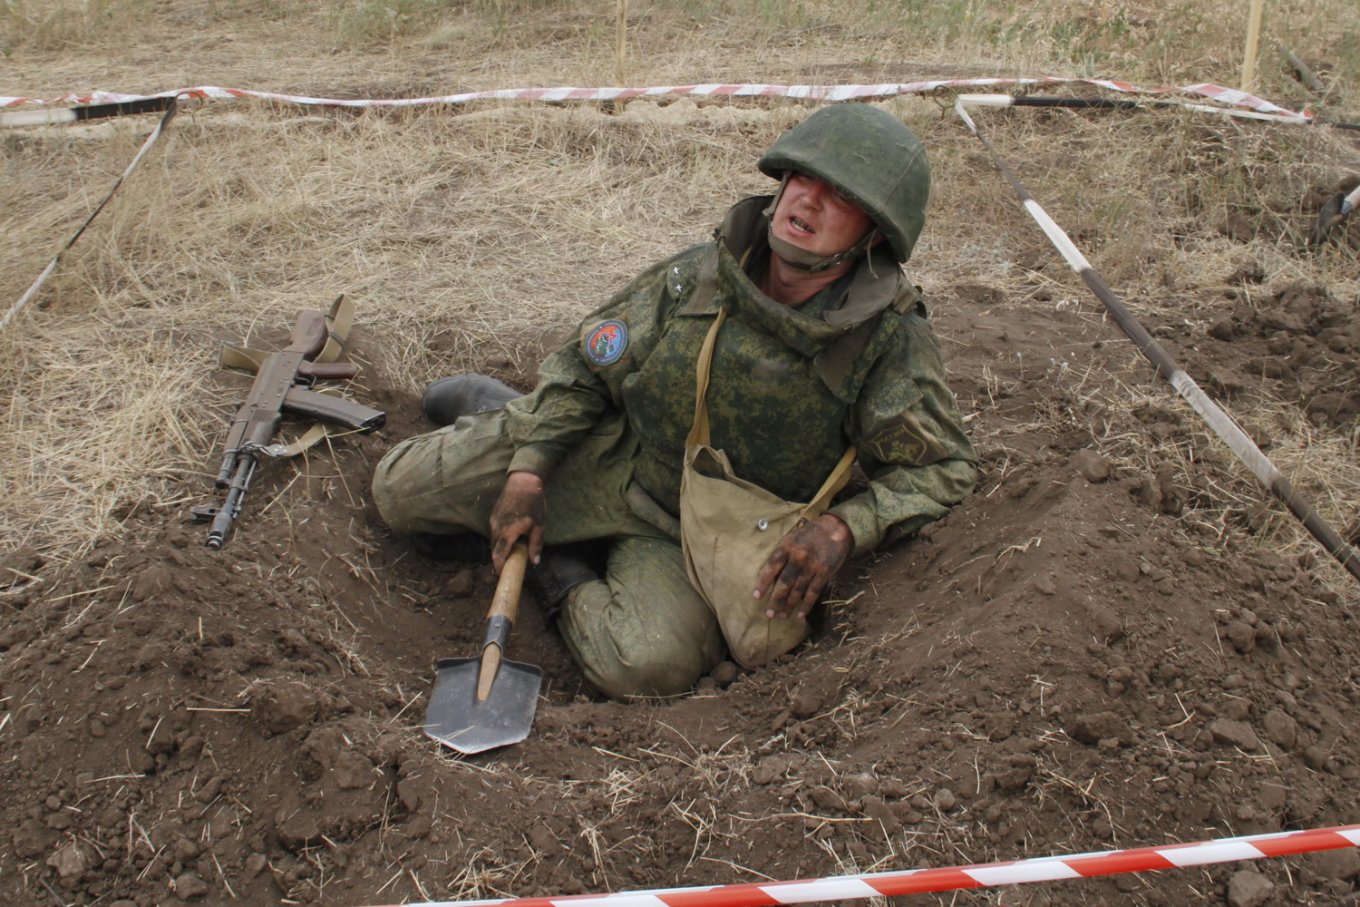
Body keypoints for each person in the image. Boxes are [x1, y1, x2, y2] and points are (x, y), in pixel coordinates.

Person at [372, 103, 977, 699]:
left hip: (694, 535)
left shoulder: (887, 341)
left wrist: (845, 527)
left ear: (873, 233)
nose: (807, 202)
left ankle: (558, 560)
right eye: (802, 178)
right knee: (398, 492)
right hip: (609, 450)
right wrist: (531, 471)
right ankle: (503, 412)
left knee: (642, 664)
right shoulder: (705, 274)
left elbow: (943, 469)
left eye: (839, 196)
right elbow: (588, 364)